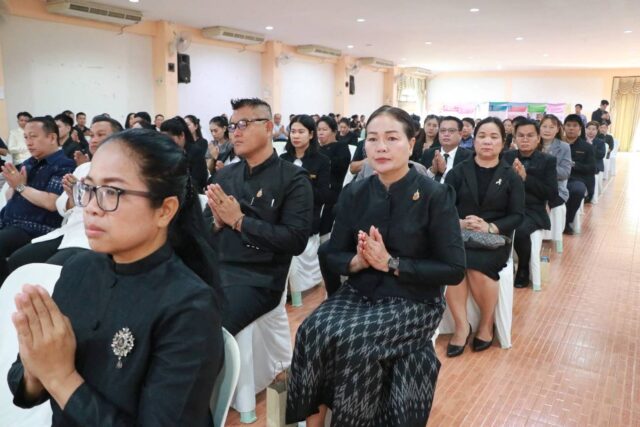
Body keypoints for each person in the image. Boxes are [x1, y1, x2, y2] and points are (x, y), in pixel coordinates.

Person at [7, 128, 224, 426]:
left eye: (112, 192)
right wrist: (36, 366)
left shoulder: (189, 306)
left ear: (165, 210)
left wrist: (61, 378)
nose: (91, 208)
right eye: (89, 189)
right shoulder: (78, 269)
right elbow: (23, 382)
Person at [286, 105, 466, 427]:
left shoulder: (435, 195)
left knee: (355, 343)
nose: (381, 147)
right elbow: (332, 253)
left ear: (411, 143)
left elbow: (453, 269)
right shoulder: (355, 192)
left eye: (392, 138)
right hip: (361, 292)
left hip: (414, 299)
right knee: (311, 330)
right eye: (372, 139)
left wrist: (391, 263)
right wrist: (356, 261)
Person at [205, 98, 313, 335]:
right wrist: (216, 223)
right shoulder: (224, 176)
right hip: (214, 268)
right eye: (232, 126)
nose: (235, 133)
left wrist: (240, 221)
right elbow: (201, 229)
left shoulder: (294, 179)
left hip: (258, 278)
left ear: (268, 127)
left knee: (207, 327)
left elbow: (295, 240)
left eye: (243, 124)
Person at [444, 117, 524, 356]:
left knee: (477, 266)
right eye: (482, 136)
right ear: (474, 140)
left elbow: (517, 215)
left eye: (493, 137)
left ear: (503, 142)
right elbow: (443, 208)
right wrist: (459, 222)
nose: (487, 141)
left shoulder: (510, 176)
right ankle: (461, 326)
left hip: (494, 240)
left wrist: (490, 227)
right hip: (460, 235)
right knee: (454, 265)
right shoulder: (458, 172)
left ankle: (486, 323)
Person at [6, 116, 123, 272]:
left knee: (50, 269)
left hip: (86, 233)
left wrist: (20, 186)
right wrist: (72, 198)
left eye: (101, 135)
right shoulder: (83, 168)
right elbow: (61, 205)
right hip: (68, 230)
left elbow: (51, 204)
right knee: (18, 260)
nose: (94, 140)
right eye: (92, 135)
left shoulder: (123, 170)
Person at [0, 117, 76, 282]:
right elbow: (9, 197)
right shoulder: (27, 163)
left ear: (52, 137)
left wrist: (20, 186)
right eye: (26, 137)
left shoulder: (64, 165)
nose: (28, 142)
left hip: (34, 227)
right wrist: (14, 185)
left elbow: (52, 203)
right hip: (8, 221)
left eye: (33, 136)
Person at [280, 115, 332, 304]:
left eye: (301, 132)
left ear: (311, 134)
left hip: (308, 214)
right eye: (293, 131)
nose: (296, 136)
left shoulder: (321, 161)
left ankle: (296, 293)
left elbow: (324, 195)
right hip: (283, 213)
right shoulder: (283, 159)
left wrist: (301, 188)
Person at [502, 119, 557, 288]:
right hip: (507, 206)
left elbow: (551, 193)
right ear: (515, 138)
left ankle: (523, 267)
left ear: (538, 138)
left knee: (520, 230)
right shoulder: (506, 157)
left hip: (532, 210)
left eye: (530, 135)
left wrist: (526, 178)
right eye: (521, 135)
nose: (525, 139)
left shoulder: (547, 160)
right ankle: (500, 265)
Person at [317, 116, 351, 238]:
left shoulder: (341, 147)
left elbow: (339, 167)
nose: (320, 133)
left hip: (331, 191)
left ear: (334, 131)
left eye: (324, 129)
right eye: (318, 129)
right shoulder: (315, 149)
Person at [563, 114, 595, 234]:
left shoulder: (586, 147)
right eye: (568, 125)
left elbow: (592, 168)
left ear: (580, 128)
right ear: (564, 127)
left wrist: (574, 164)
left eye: (575, 125)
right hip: (556, 178)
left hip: (575, 179)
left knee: (578, 190)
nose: (571, 128)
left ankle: (567, 221)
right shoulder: (558, 144)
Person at [160, 117, 208, 193]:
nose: (167, 143)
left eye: (170, 139)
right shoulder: (164, 152)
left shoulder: (196, 152)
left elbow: (199, 182)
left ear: (182, 135)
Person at [421, 116, 472, 183]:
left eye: (451, 131)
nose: (446, 134)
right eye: (442, 130)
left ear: (460, 134)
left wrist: (444, 172)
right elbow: (420, 180)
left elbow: (467, 183)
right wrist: (432, 171)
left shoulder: (469, 157)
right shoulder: (428, 153)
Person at [540, 114, 572, 208]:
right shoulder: (533, 144)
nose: (547, 130)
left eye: (551, 127)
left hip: (557, 189)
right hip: (533, 188)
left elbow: (565, 173)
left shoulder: (564, 147)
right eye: (544, 126)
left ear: (557, 129)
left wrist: (546, 167)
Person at [585, 121, 607, 201]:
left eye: (593, 129)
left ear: (597, 131)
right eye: (589, 129)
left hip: (596, 165)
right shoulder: (581, 140)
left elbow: (601, 155)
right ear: (585, 129)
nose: (591, 131)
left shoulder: (600, 142)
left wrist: (591, 145)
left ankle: (591, 197)